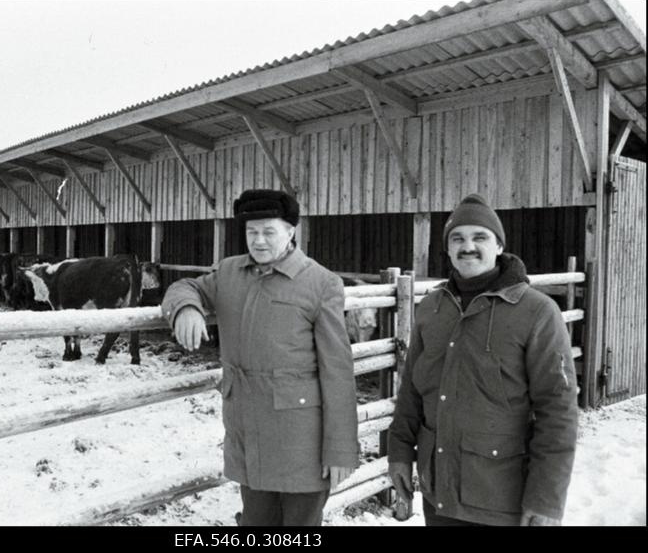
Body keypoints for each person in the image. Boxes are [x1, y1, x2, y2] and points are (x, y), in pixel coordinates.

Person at [161, 189, 359, 526]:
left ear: (291, 232)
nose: (259, 241)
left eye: (269, 231)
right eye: (252, 232)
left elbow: (337, 372)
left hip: (302, 442)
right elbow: (185, 287)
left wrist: (340, 450)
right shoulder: (229, 272)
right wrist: (186, 309)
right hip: (248, 433)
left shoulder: (321, 283)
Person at [387, 194, 578, 526]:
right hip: (439, 495)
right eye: (457, 238)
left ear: (500, 246)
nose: (468, 246)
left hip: (501, 499)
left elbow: (557, 409)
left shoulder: (536, 312)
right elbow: (411, 392)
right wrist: (400, 453)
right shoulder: (432, 308)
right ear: (447, 248)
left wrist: (546, 498)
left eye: (480, 237)